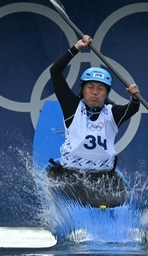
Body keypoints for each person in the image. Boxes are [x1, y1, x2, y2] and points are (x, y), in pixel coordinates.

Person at [48, 35, 140, 208]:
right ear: (82, 90)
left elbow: (132, 108)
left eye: (100, 89)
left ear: (106, 94)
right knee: (80, 197)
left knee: (113, 202)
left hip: (103, 178)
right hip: (70, 175)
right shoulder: (72, 107)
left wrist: (135, 98)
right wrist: (76, 48)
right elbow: (55, 72)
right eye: (90, 87)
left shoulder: (113, 113)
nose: (95, 92)